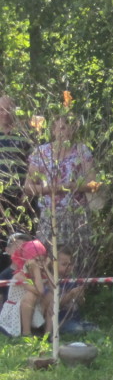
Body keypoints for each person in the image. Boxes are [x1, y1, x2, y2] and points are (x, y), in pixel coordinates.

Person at [23, 114, 97, 265]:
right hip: (49, 215)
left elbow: (93, 184)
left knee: (77, 261)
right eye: (61, 127)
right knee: (47, 260)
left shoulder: (82, 151)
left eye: (68, 127)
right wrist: (51, 189)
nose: (64, 131)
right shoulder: (41, 152)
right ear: (53, 130)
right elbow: (28, 187)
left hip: (76, 215)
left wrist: (72, 186)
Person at [0, 97, 31, 265]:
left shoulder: (24, 135)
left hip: (20, 197)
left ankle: (18, 274)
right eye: (1, 110)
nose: (5, 114)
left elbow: (33, 166)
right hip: (1, 196)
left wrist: (27, 194)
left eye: (8, 109)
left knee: (19, 239)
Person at [0, 238, 49, 337]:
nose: (39, 264)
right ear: (26, 261)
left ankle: (47, 332)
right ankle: (27, 332)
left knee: (50, 296)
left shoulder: (40, 275)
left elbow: (55, 287)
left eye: (42, 260)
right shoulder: (20, 275)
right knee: (30, 295)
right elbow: (40, 291)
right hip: (14, 312)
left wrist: (46, 269)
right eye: (36, 260)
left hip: (31, 308)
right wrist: (36, 270)